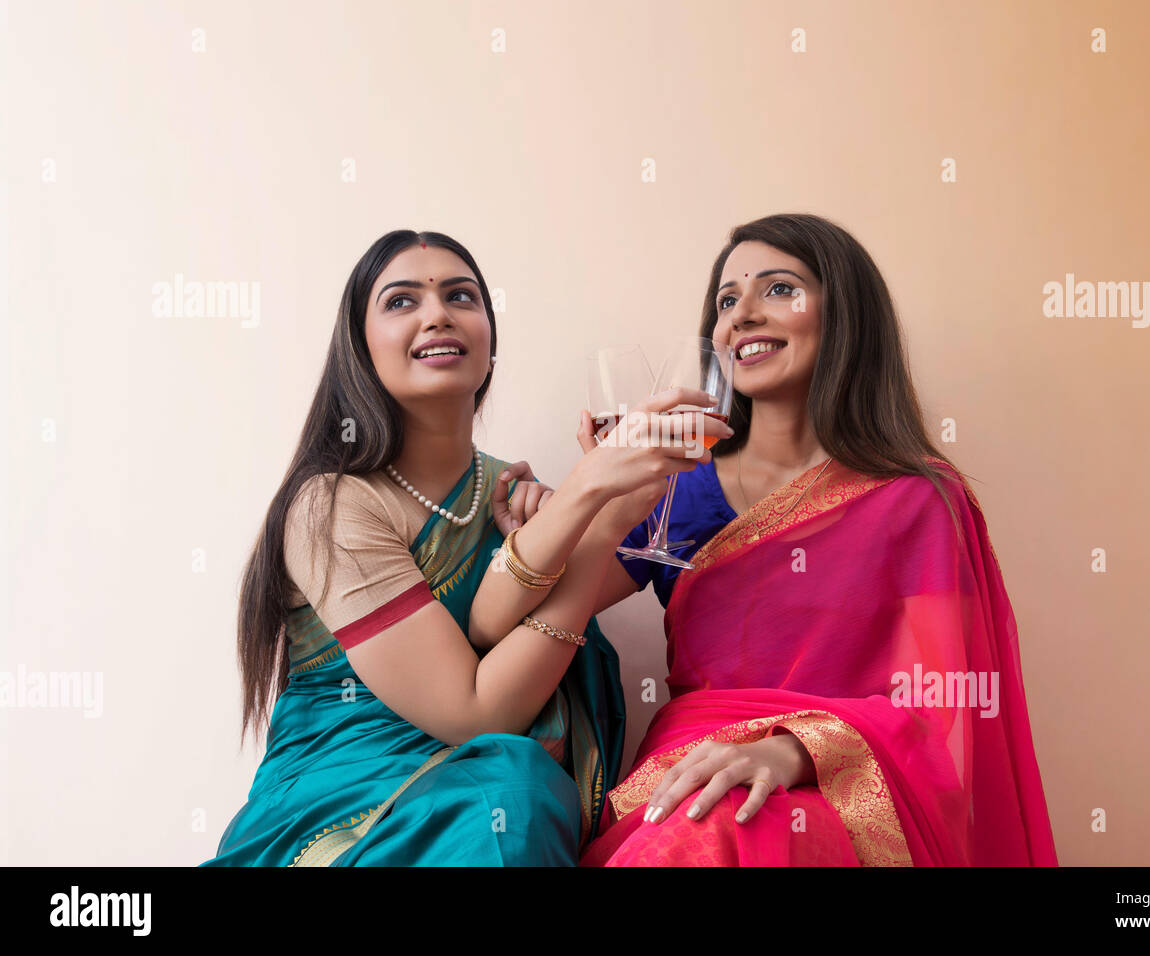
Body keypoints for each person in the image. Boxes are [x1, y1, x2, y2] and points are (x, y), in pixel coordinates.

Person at [200, 229, 730, 866]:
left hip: (496, 798)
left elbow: (496, 629)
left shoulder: (513, 490)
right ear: (358, 352)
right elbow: (475, 714)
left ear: (489, 344)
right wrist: (597, 515)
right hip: (348, 807)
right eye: (401, 302)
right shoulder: (333, 506)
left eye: (461, 296)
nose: (437, 314)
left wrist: (577, 517)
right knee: (511, 792)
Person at [575, 213, 1060, 865]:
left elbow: (943, 707)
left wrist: (791, 750)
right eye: (726, 299)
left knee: (731, 833)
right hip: (686, 779)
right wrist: (576, 497)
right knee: (698, 830)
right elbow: (546, 613)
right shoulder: (679, 488)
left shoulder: (916, 500)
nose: (741, 314)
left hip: (833, 788)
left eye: (777, 289)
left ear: (845, 315)